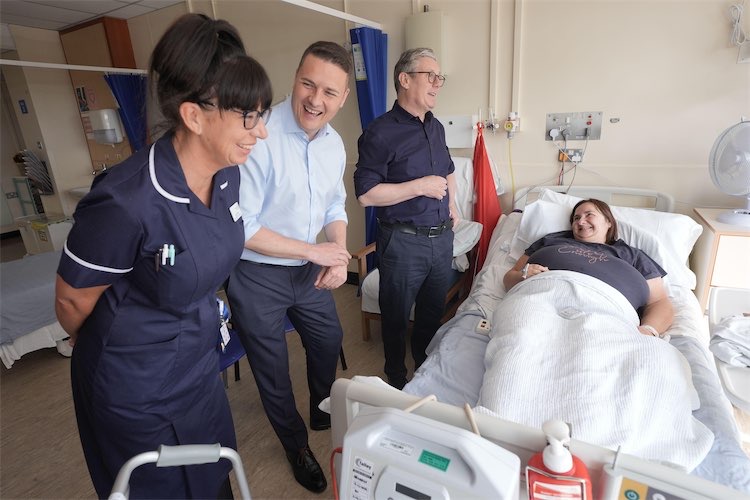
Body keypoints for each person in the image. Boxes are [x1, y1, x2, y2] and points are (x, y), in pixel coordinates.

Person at [54, 13, 272, 498]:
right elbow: (71, 303)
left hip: (198, 363)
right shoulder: (125, 200)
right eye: (247, 117)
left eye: (262, 115)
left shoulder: (227, 175)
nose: (261, 133)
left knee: (214, 478)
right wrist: (118, 348)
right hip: (134, 384)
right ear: (194, 115)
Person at [224, 41, 351, 494]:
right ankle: (296, 446)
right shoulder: (258, 135)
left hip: (306, 268)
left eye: (329, 92)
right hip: (256, 274)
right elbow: (243, 227)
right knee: (272, 368)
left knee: (329, 337)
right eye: (308, 84)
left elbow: (335, 202)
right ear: (294, 78)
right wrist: (314, 251)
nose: (316, 99)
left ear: (343, 98)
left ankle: (320, 406)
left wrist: (336, 251)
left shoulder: (333, 143)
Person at [353, 47, 458, 390]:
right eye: (431, 76)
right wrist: (419, 187)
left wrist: (453, 206)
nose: (437, 84)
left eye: (440, 78)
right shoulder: (380, 132)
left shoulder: (437, 127)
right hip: (403, 242)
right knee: (396, 317)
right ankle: (396, 380)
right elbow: (366, 194)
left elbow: (449, 171)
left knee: (430, 314)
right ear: (404, 78)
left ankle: (424, 371)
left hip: (441, 240)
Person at [503, 198, 674, 336]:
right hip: (543, 299)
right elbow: (510, 277)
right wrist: (523, 276)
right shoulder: (550, 240)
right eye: (576, 218)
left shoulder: (633, 255)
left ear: (608, 221)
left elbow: (659, 302)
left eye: (589, 215)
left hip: (609, 312)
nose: (581, 221)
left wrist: (648, 330)